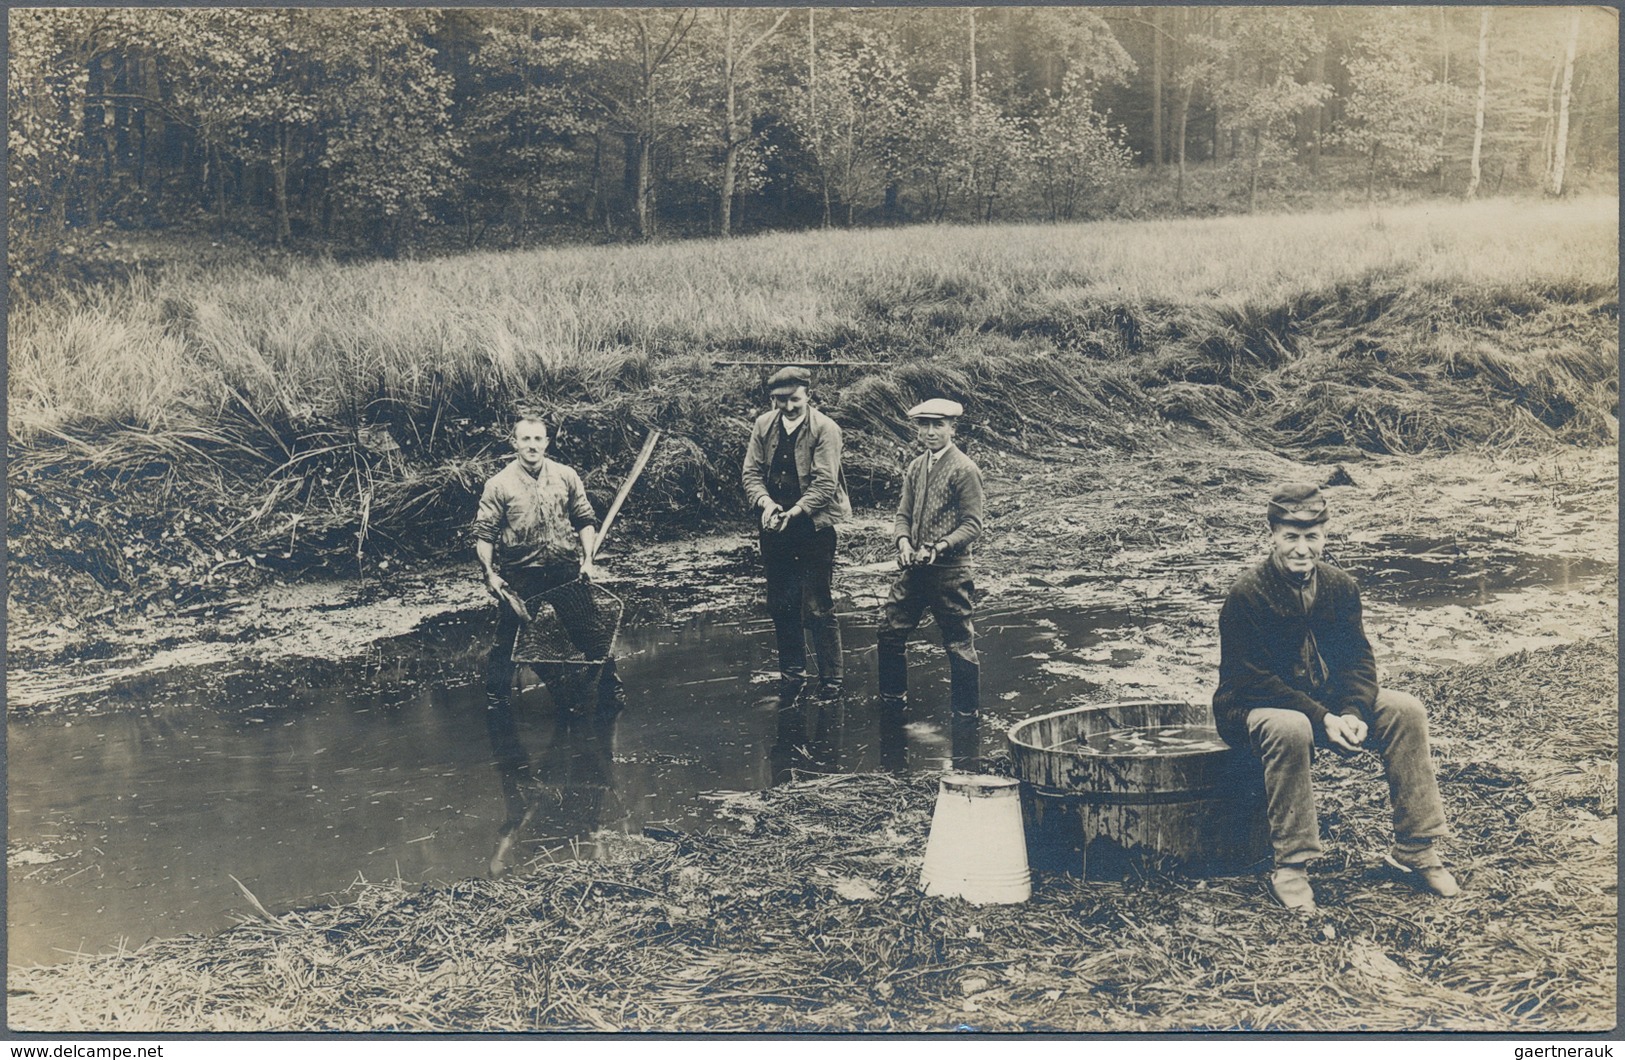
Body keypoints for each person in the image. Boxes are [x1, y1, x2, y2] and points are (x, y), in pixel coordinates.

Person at [1213, 483, 1459, 913]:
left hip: (1325, 705)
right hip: (1253, 706)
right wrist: (1322, 717)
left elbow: (1358, 662)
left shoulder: (1340, 587)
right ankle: (1292, 866)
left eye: (1312, 537)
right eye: (1291, 536)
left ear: (1325, 537)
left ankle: (1416, 848)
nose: (1302, 549)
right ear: (1272, 535)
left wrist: (1353, 711)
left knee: (1406, 711)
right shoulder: (1246, 595)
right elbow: (1253, 679)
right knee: (1289, 727)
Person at [474, 410, 623, 717]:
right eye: (525, 438)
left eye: (537, 439)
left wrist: (588, 560)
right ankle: (496, 700)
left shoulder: (566, 476)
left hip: (565, 568)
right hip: (520, 574)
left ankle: (611, 689)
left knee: (591, 632)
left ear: (547, 442)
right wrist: (489, 574)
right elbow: (485, 535)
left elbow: (585, 520)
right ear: (514, 442)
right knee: (508, 640)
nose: (532, 445)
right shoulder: (498, 484)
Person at [741, 366, 852, 700]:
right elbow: (751, 472)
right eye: (780, 400)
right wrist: (765, 503)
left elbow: (824, 483)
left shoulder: (825, 429)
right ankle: (792, 675)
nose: (787, 407)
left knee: (817, 603)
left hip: (813, 527)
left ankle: (831, 680)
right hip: (775, 526)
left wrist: (795, 511)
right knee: (782, 601)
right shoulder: (763, 425)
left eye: (794, 400)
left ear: (809, 396)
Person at [878, 398, 985, 716]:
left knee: (959, 643)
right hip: (915, 568)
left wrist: (939, 547)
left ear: (952, 428)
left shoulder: (964, 469)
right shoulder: (915, 466)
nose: (930, 431)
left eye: (938, 424)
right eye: (924, 425)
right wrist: (903, 544)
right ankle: (892, 705)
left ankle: (966, 718)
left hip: (951, 570)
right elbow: (903, 513)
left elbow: (973, 525)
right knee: (889, 630)